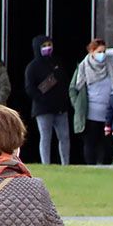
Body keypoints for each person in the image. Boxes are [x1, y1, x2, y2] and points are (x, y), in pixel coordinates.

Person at [69, 38, 113, 165]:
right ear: (92, 51)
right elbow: (73, 89)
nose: (102, 55)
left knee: (107, 146)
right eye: (99, 52)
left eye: (104, 51)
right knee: (90, 144)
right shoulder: (82, 67)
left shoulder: (110, 67)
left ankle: (105, 167)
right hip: (90, 115)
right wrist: (78, 106)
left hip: (107, 115)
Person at [24, 34, 71, 165]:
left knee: (64, 137)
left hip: (60, 108)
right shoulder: (32, 67)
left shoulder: (57, 62)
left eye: (49, 45)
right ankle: (46, 164)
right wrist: (42, 98)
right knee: (46, 137)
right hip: (43, 109)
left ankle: (65, 163)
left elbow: (64, 81)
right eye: (44, 46)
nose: (48, 48)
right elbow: (30, 88)